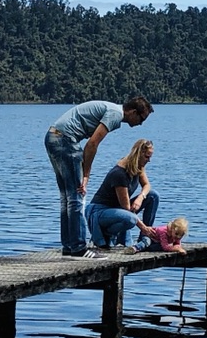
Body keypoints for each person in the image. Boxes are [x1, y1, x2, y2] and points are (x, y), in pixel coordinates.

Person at [45, 95, 152, 255]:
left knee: (67, 198)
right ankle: (78, 248)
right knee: (77, 198)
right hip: (65, 140)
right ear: (132, 112)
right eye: (141, 118)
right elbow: (92, 144)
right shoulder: (116, 114)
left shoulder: (112, 109)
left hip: (53, 137)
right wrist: (86, 175)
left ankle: (69, 246)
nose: (141, 123)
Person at [87, 139, 158, 250]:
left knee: (153, 196)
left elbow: (147, 185)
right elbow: (126, 208)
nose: (149, 160)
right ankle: (106, 234)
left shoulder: (138, 166)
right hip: (99, 211)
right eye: (147, 157)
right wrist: (143, 226)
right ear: (139, 154)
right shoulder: (120, 174)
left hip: (119, 209)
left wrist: (140, 197)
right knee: (130, 219)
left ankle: (145, 238)